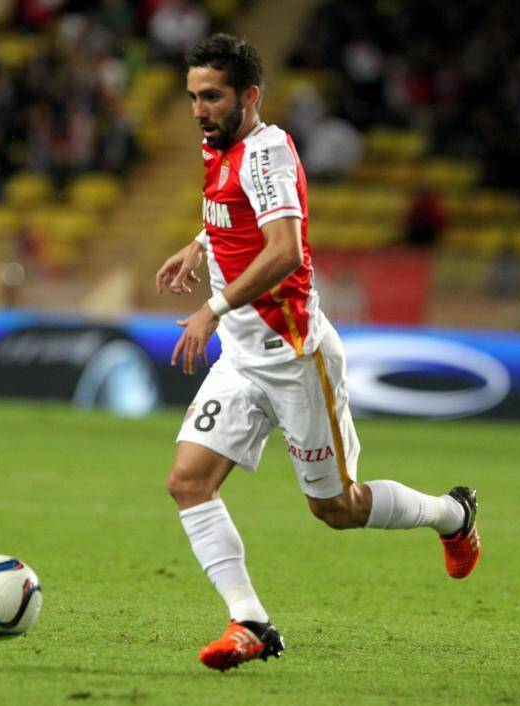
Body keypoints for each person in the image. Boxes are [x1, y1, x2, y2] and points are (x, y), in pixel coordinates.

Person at [155, 34, 481, 671]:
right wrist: (201, 242)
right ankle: (250, 622)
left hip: (295, 357)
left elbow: (282, 250)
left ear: (248, 96)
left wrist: (211, 309)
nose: (198, 108)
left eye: (211, 96)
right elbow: (234, 210)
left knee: (336, 508)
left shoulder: (268, 152)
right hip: (242, 360)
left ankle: (452, 513)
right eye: (192, 96)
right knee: (187, 483)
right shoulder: (216, 142)